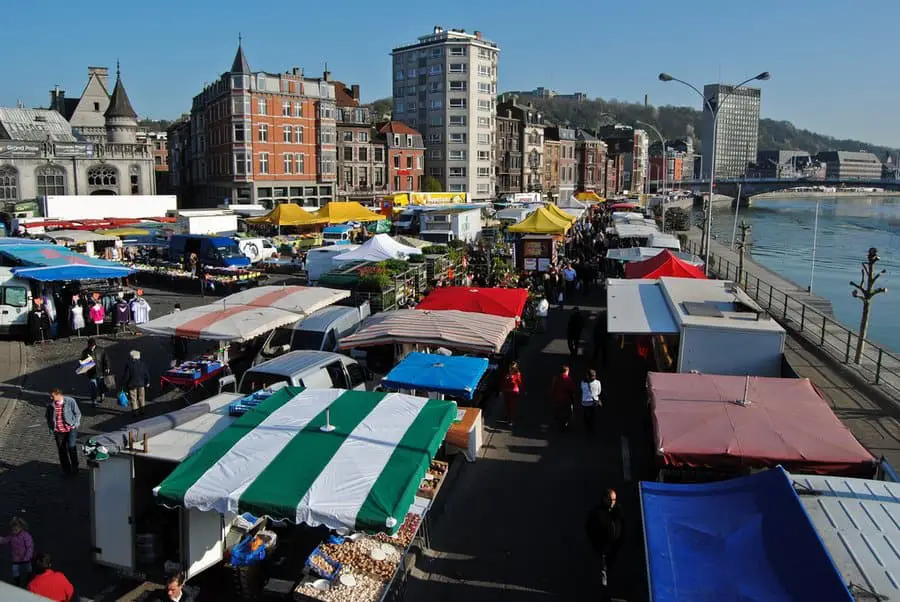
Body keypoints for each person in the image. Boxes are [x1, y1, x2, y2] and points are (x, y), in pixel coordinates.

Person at [586, 489, 624, 592]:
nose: (612, 502)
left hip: (614, 546)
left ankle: (610, 584)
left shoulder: (618, 510)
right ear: (604, 499)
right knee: (603, 567)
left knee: (612, 565)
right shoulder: (596, 513)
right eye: (610, 500)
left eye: (614, 500)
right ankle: (604, 587)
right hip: (602, 546)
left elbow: (622, 526)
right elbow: (589, 528)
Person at [45, 389, 81, 475]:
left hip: (70, 429)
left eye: (52, 396)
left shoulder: (70, 401)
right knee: (62, 450)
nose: (51, 397)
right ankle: (66, 470)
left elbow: (77, 413)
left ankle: (75, 466)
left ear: (59, 395)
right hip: (58, 431)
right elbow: (47, 416)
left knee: (71, 447)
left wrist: (75, 424)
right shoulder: (51, 404)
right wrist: (51, 427)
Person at [0, 516, 34, 586]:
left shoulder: (26, 536)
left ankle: (29, 583)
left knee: (28, 571)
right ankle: (17, 584)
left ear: (20, 528)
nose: (13, 532)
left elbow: (30, 547)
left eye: (15, 530)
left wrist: (27, 557)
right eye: (12, 530)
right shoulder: (12, 536)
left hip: (26, 559)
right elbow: (5, 540)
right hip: (16, 559)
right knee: (15, 571)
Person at [81, 337, 111, 406]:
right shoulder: (85, 352)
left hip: (100, 371)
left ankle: (101, 394)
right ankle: (94, 400)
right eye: (90, 346)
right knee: (93, 387)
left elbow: (106, 360)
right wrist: (84, 369)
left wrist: (107, 367)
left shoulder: (101, 350)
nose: (91, 348)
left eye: (93, 346)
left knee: (101, 385)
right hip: (91, 373)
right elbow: (83, 362)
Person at [122, 349, 151, 416]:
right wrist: (148, 381)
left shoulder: (129, 365)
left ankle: (135, 412)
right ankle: (142, 410)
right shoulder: (143, 364)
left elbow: (126, 376)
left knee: (133, 398)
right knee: (141, 397)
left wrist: (124, 383)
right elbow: (146, 374)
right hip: (141, 383)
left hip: (132, 384)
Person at [550, 364, 576, 431]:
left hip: (557, 398)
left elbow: (553, 388)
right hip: (566, 399)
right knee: (568, 411)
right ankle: (565, 422)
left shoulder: (556, 378)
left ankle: (557, 420)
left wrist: (552, 395)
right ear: (566, 371)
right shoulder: (569, 379)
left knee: (557, 410)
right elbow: (572, 389)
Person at [501, 361, 523, 428]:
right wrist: (501, 390)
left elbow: (519, 382)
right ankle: (508, 417)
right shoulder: (506, 373)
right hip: (506, 391)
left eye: (513, 367)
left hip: (514, 392)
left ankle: (511, 420)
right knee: (507, 405)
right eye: (510, 367)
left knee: (512, 406)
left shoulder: (517, 374)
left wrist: (512, 379)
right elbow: (502, 382)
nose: (511, 368)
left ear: (516, 367)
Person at [580, 369, 602, 434]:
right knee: (593, 414)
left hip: (585, 402)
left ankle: (586, 424)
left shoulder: (583, 383)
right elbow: (599, 392)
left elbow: (582, 390)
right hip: (594, 402)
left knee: (585, 414)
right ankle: (592, 425)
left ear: (587, 376)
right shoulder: (598, 382)